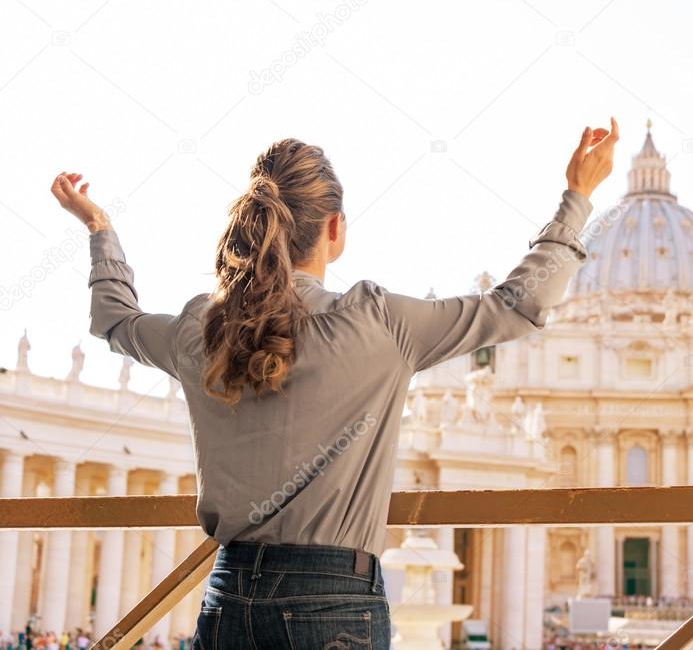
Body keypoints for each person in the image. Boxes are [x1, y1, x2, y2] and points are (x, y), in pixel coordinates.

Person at [48, 119, 618, 649]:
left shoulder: (202, 327)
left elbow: (115, 321)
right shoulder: (380, 323)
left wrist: (100, 229)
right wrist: (577, 196)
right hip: (334, 602)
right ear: (334, 229)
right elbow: (518, 305)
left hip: (228, 594)